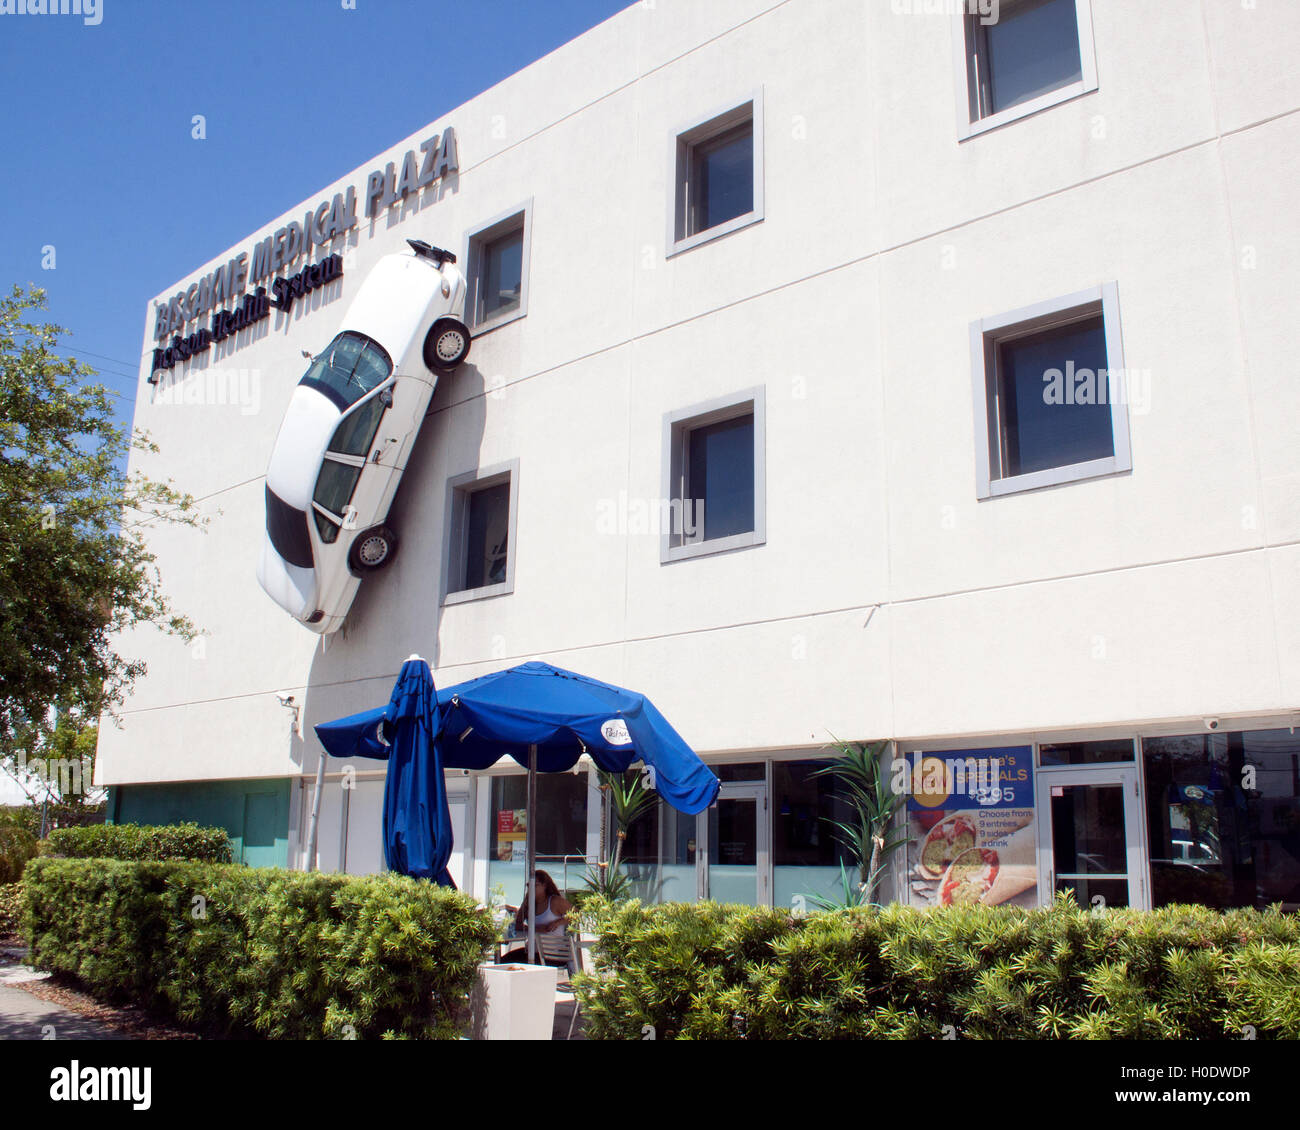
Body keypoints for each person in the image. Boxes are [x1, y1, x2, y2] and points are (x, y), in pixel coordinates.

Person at [500, 870, 572, 965]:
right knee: (503, 961)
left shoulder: (555, 901)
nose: (531, 888)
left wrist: (557, 923)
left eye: (535, 885)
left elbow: (576, 915)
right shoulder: (529, 903)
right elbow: (517, 925)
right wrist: (525, 903)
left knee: (510, 962)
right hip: (532, 951)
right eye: (529, 885)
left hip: (552, 954)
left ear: (544, 886)